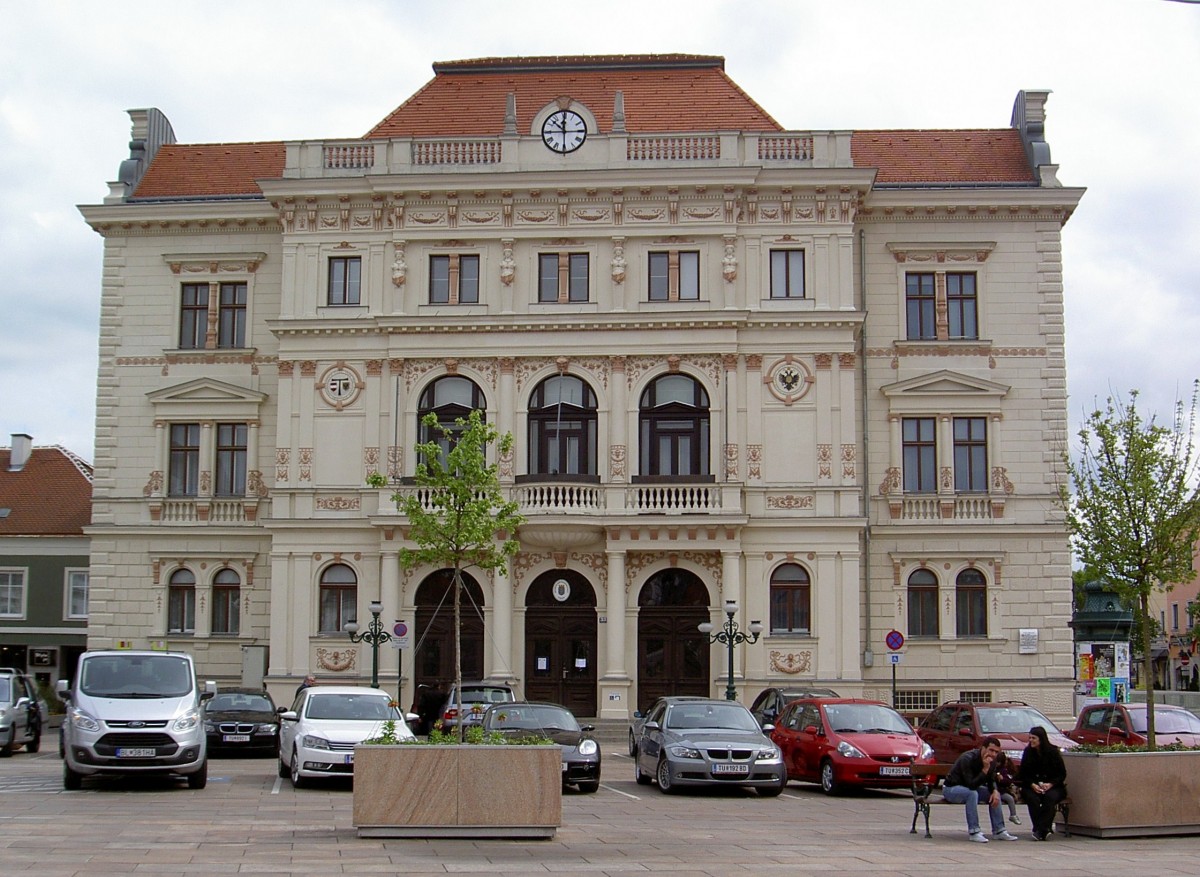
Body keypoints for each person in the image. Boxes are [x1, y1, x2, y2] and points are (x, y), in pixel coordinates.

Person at [942, 736, 1020, 842]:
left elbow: (991, 779)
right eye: (991, 750)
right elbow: (971, 784)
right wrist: (985, 769)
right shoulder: (967, 758)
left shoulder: (992, 761)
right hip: (951, 789)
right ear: (983, 748)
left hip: (971, 788)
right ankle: (974, 831)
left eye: (996, 752)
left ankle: (999, 830)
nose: (993, 754)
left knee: (994, 795)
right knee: (972, 794)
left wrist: (995, 791)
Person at [1018, 725, 1068, 841]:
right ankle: (1042, 828)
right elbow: (1023, 773)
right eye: (1030, 738)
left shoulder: (1053, 752)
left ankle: (1041, 829)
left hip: (1053, 786)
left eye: (1033, 738)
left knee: (1050, 798)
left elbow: (1061, 774)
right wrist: (1033, 785)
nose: (1031, 741)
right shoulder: (1028, 752)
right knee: (1032, 798)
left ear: (1041, 739)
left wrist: (1050, 784)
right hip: (1032, 785)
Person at [994, 751, 1021, 824]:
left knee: (1010, 799)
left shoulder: (1003, 770)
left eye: (999, 762)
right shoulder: (992, 769)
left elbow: (1009, 781)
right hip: (993, 790)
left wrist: (1002, 779)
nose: (997, 764)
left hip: (1001, 791)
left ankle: (1013, 815)